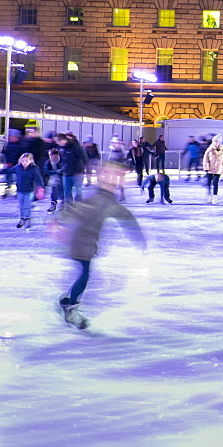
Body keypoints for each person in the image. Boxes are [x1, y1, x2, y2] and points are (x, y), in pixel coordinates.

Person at [56, 162, 146, 329]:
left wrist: (135, 232)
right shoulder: (101, 199)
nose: (117, 179)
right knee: (84, 275)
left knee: (84, 274)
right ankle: (70, 309)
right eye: (113, 175)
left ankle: (67, 300)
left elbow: (123, 215)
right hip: (82, 244)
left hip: (87, 243)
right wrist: (59, 222)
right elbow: (78, 210)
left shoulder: (106, 199)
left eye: (119, 176)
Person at [0, 152, 45, 229]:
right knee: (21, 206)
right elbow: (9, 170)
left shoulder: (34, 169)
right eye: (23, 161)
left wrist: (41, 189)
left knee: (27, 205)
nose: (24, 163)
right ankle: (23, 218)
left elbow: (39, 179)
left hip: (29, 191)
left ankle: (27, 218)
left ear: (31, 161)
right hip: (20, 190)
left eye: (26, 161)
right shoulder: (18, 167)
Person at [55, 133, 88, 203]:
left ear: (62, 140)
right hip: (66, 173)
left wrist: (86, 169)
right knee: (67, 192)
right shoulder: (61, 148)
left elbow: (84, 157)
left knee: (78, 191)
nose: (57, 143)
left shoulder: (74, 146)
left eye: (57, 142)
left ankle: (78, 205)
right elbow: (61, 159)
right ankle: (69, 208)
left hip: (77, 173)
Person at [203, 135, 223, 205]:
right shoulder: (209, 149)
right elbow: (205, 159)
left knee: (215, 183)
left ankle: (215, 197)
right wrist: (206, 167)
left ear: (219, 142)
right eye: (214, 141)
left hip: (218, 169)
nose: (215, 143)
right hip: (210, 169)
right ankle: (208, 195)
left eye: (216, 141)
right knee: (208, 183)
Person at [44, 148, 65, 213]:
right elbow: (47, 171)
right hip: (53, 178)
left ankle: (63, 203)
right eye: (51, 156)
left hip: (62, 178)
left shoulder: (62, 161)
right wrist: (56, 171)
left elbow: (64, 169)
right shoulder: (48, 162)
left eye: (55, 156)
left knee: (62, 190)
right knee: (54, 191)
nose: (53, 158)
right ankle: (53, 204)